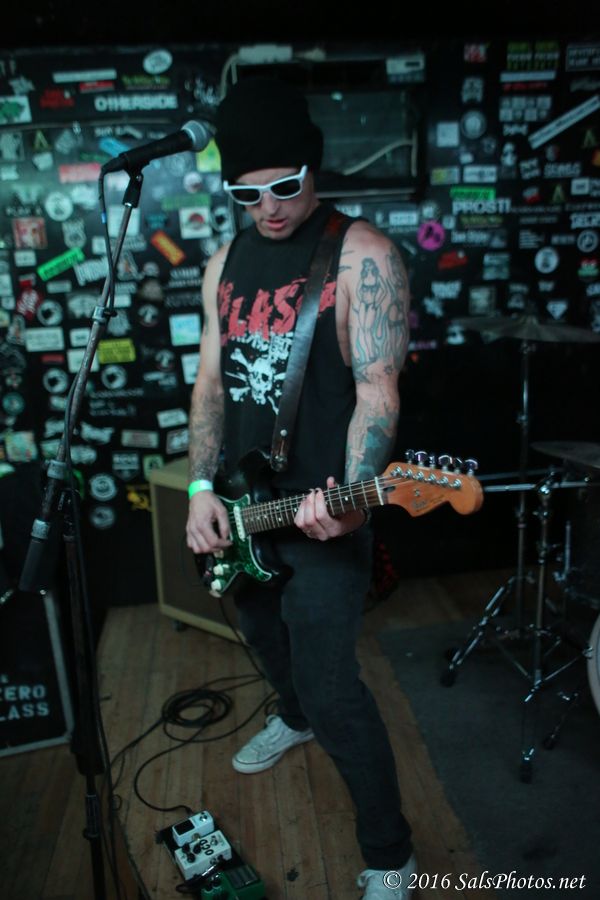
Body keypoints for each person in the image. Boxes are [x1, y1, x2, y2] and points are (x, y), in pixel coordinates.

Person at [185, 77, 415, 900]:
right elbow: (210, 383)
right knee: (261, 633)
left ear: (312, 167)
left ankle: (392, 853)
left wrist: (352, 500)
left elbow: (378, 393)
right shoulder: (224, 262)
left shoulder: (362, 255)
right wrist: (199, 489)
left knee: (331, 685)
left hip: (322, 513)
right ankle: (291, 719)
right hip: (243, 509)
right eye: (247, 194)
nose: (269, 208)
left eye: (284, 186)